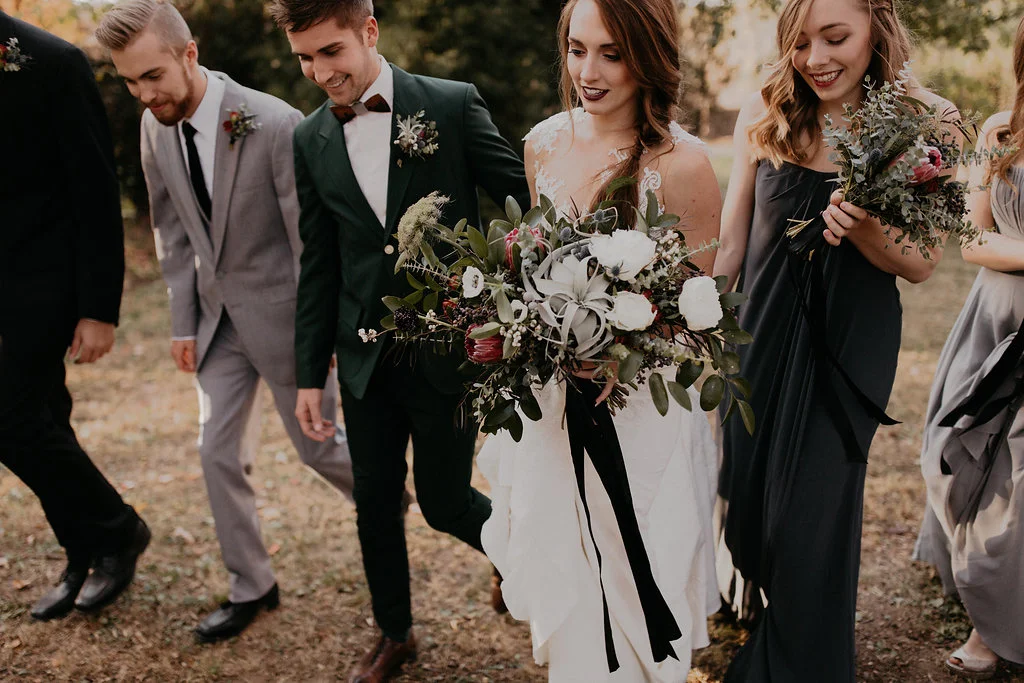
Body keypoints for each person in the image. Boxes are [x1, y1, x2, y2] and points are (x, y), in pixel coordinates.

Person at [268, 0, 529, 680]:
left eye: (331, 51)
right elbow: (319, 262)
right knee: (374, 501)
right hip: (363, 361)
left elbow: (519, 204)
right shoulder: (308, 140)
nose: (320, 72)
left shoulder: (449, 104)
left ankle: (522, 553)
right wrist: (307, 374)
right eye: (304, 58)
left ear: (369, 32)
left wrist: (495, 298)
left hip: (447, 351)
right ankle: (394, 632)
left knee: (444, 503)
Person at [96, 0, 358, 643]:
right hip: (216, 325)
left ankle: (396, 494)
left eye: (152, 75)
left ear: (189, 53)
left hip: (283, 320)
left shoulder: (273, 122)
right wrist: (183, 323)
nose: (143, 93)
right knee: (214, 452)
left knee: (318, 448)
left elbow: (309, 242)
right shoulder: (153, 126)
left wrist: (317, 337)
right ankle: (253, 585)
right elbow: (172, 231)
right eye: (130, 81)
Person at [712, 0, 958, 680]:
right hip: (760, 333)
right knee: (750, 503)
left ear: (878, 25)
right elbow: (733, 243)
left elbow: (923, 260)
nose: (816, 58)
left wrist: (866, 225)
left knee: (809, 517)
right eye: (801, 42)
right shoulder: (766, 112)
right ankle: (767, 608)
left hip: (848, 344)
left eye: (835, 37)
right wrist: (692, 318)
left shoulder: (927, 124)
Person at [478, 0, 723, 680]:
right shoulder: (543, 144)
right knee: (572, 578)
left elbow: (697, 309)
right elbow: (533, 262)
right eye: (577, 49)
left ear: (648, 55)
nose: (588, 70)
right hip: (555, 407)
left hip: (643, 414)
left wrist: (618, 346)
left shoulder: (685, 165)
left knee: (642, 575)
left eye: (611, 53)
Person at [0, 10, 150, 621]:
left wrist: (98, 309)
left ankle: (118, 529)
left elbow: (94, 191)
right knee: (44, 421)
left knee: (11, 418)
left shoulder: (53, 61)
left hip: (45, 286)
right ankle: (84, 549)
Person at [913, 15, 1024, 678]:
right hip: (992, 328)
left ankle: (997, 628)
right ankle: (989, 599)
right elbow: (973, 238)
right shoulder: (1000, 133)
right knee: (965, 461)